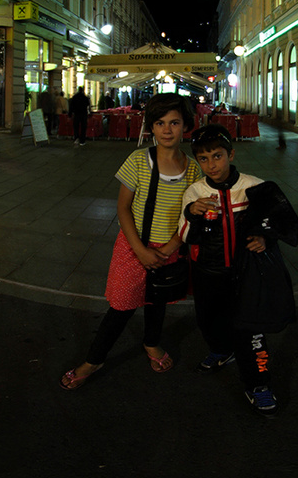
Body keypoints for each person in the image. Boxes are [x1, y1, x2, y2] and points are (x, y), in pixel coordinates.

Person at [62, 94, 197, 390]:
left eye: (174, 122)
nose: (167, 129)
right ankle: (95, 359)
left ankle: (151, 343)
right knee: (121, 306)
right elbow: (123, 207)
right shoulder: (138, 160)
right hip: (132, 246)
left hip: (168, 250)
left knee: (156, 301)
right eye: (160, 123)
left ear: (186, 125)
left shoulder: (193, 170)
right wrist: (140, 249)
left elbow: (189, 216)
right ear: (151, 127)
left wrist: (171, 247)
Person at [179, 125, 298, 416]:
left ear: (231, 154)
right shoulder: (194, 192)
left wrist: (264, 238)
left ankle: (259, 383)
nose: (212, 165)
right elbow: (184, 235)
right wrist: (192, 214)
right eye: (204, 159)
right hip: (208, 273)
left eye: (217, 156)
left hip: (248, 275)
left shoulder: (254, 186)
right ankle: (221, 350)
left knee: (252, 333)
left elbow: (282, 222)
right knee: (208, 320)